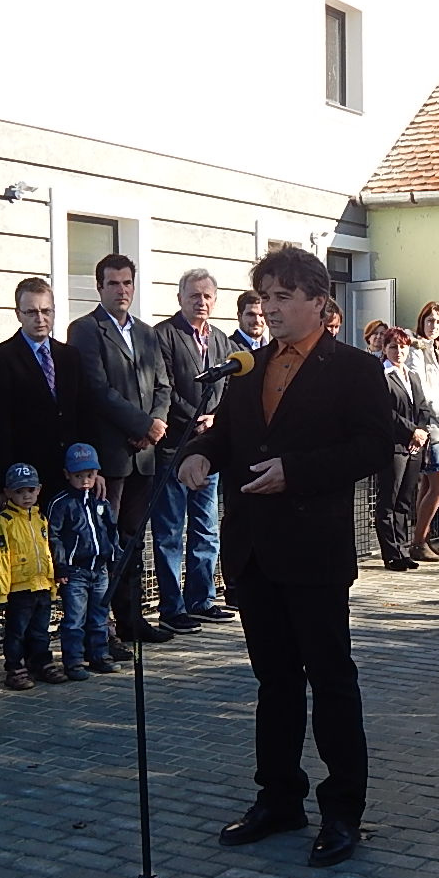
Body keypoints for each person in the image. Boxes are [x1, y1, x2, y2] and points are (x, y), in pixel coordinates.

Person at [177, 246, 388, 868]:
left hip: (313, 550)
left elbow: (374, 447)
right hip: (254, 550)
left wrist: (295, 472)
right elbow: (230, 434)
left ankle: (343, 810)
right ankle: (279, 798)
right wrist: (199, 453)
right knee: (274, 684)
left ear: (320, 302)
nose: (269, 308)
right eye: (264, 297)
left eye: (283, 297)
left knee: (331, 680)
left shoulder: (354, 369)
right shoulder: (248, 366)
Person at [67, 253, 173, 652]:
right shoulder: (85, 330)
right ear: (99, 287)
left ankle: (132, 620)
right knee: (102, 542)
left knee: (133, 541)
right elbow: (97, 390)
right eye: (113, 283)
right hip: (109, 455)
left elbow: (163, 385)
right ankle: (101, 629)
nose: (121, 290)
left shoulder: (145, 332)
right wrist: (141, 425)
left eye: (127, 282)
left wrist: (156, 423)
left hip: (144, 455)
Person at [151, 268, 235, 631]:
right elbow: (164, 387)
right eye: (194, 295)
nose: (201, 302)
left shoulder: (221, 340)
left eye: (207, 296)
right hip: (174, 446)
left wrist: (215, 419)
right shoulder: (164, 335)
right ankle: (173, 608)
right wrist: (196, 418)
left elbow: (230, 386)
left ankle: (201, 600)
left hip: (209, 449)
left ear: (215, 301)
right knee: (170, 530)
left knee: (206, 528)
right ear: (180, 298)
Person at [0, 278, 88, 505]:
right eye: (31, 312)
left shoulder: (70, 356)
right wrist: (2, 484)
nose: (40, 318)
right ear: (18, 314)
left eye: (46, 311)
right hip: (23, 484)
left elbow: (84, 414)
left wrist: (91, 469)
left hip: (70, 477)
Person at [0, 462, 67, 690]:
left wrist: (52, 583)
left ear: (39, 490)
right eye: (19, 491)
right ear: (8, 493)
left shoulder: (41, 519)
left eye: (30, 490)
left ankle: (41, 662)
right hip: (19, 588)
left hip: (41, 585)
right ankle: (15, 668)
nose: (26, 496)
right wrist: (1, 591)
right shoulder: (4, 522)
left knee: (40, 630)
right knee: (17, 632)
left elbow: (47, 552)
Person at [47, 443, 121, 679]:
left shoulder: (101, 501)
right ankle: (74, 661)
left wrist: (114, 558)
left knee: (99, 616)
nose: (85, 481)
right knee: (74, 620)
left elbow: (111, 531)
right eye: (78, 476)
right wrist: (60, 566)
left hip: (100, 570)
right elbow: (54, 536)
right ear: (67, 474)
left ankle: (99, 655)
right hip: (75, 572)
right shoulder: (61, 503)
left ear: (97, 473)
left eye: (89, 475)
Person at [374, 327, 429, 571]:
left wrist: (422, 431)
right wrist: (412, 431)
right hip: (393, 446)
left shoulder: (412, 376)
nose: (399, 351)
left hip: (414, 446)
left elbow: (423, 407)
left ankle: (402, 549)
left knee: (404, 501)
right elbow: (386, 412)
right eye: (393, 347)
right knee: (389, 500)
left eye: (403, 347)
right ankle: (391, 554)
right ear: (385, 349)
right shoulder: (382, 375)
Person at [408, 302, 439, 563]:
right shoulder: (417, 349)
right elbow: (422, 390)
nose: (434, 326)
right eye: (429, 321)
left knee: (428, 484)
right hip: (430, 424)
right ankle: (417, 542)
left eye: (438, 321)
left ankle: (423, 539)